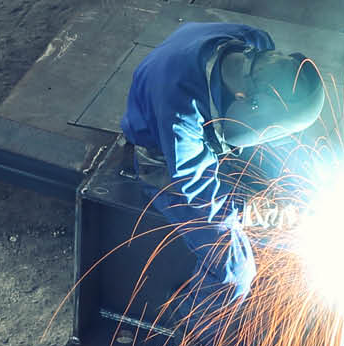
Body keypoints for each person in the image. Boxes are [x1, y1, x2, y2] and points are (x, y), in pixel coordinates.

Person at [121, 25, 324, 322]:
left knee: (292, 173)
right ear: (243, 98)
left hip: (199, 120)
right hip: (163, 161)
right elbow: (202, 198)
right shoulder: (182, 117)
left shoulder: (255, 43)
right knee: (235, 270)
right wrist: (251, 210)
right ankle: (196, 336)